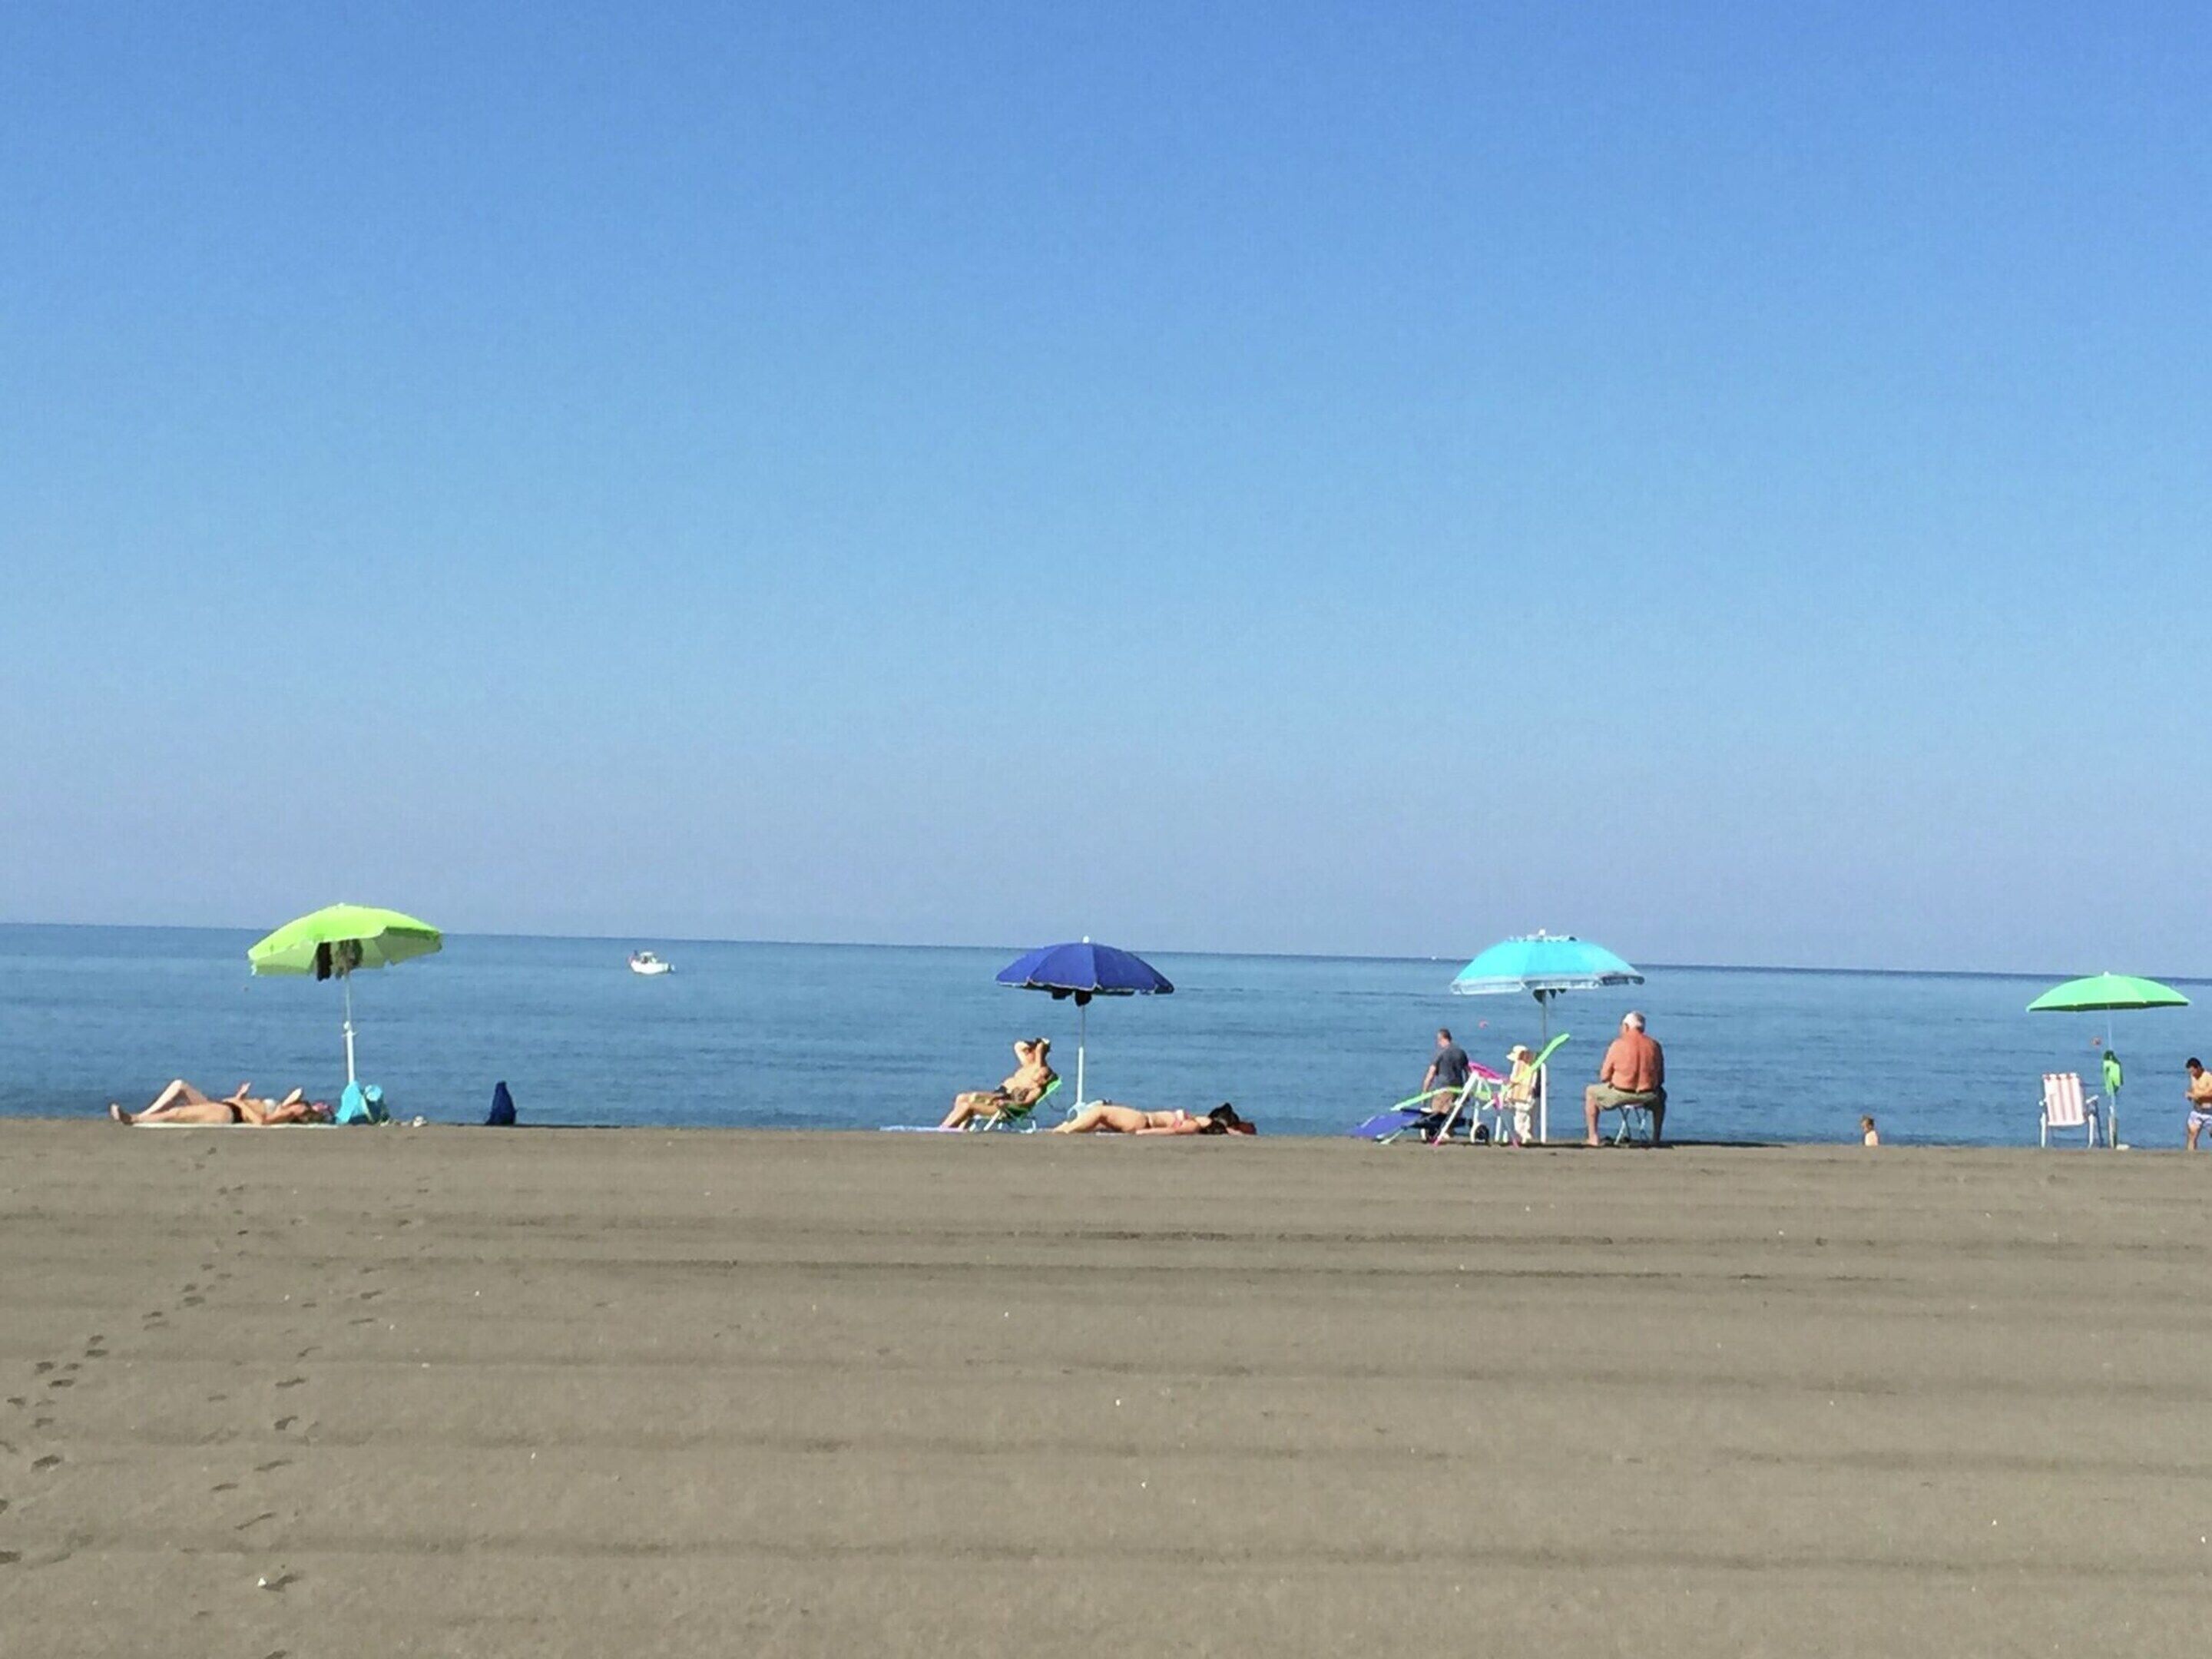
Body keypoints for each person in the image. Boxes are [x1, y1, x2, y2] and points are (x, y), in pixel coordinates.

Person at [1584, 1012, 1666, 1145]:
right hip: (1648, 1096)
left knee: (1590, 1092)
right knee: (1662, 1095)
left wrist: (1616, 1080)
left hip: (1621, 1093)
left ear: (1626, 1027)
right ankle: (1656, 1138)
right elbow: (1661, 1078)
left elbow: (1604, 1076)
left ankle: (1593, 1137)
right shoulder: (1655, 1046)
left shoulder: (1618, 1044)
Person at [939, 1038, 1056, 1130]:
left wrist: (1041, 1048)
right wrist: (1033, 1044)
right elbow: (1018, 1046)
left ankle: (945, 1129)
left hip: (1006, 1109)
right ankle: (957, 1128)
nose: (1028, 1052)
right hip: (1002, 1098)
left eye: (1031, 1051)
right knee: (962, 1098)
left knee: (968, 1105)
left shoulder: (1037, 1085)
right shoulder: (1028, 1065)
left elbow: (1025, 1103)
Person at [111, 1080, 328, 1126]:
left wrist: (239, 1102)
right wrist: (240, 1097)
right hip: (227, 1106)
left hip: (229, 1113)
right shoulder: (289, 1106)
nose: (320, 1103)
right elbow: (297, 1093)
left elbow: (261, 1122)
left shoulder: (296, 1110)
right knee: (180, 1086)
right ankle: (143, 1114)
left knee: (177, 1113)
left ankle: (135, 1119)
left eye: (322, 1107)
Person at [1053, 1102, 1254, 1136]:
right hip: (1142, 1121)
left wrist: (1143, 1133)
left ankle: (1066, 1131)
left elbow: (1171, 1131)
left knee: (1100, 1111)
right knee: (1098, 1121)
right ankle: (1067, 1128)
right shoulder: (1196, 1123)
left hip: (1143, 1121)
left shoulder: (1193, 1126)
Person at [1420, 1028, 1472, 1112]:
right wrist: (1467, 1092)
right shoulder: (1461, 1053)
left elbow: (1430, 1075)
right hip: (1458, 1092)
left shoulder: (1440, 1053)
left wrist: (1424, 1093)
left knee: (1438, 1116)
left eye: (1438, 1040)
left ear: (1441, 1039)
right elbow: (1468, 1073)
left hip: (1443, 1091)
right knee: (1454, 1117)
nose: (1438, 1043)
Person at [1499, 1044, 1539, 1145]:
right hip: (1530, 1097)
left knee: (1519, 1121)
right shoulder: (1533, 1068)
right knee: (1527, 1119)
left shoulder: (1519, 1068)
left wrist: (1507, 1095)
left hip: (1521, 1097)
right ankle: (1525, 1138)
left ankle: (1524, 1136)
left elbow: (1513, 1082)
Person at [2185, 1058, 2212, 1151]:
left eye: (2193, 1071)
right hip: (2197, 1111)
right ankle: (2191, 1156)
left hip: (2210, 1111)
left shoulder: (2208, 1076)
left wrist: (2197, 1096)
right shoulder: (2193, 1077)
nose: (2192, 1074)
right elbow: (2194, 1088)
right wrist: (2189, 1093)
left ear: (2199, 1068)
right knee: (2192, 1135)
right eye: (2190, 1072)